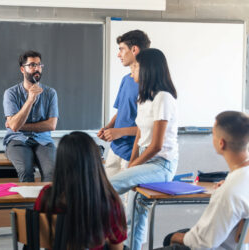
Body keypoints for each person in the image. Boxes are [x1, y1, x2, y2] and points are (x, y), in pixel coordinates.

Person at [109, 48, 178, 250]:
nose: (132, 71)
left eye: (136, 67)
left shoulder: (163, 98)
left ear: (149, 70)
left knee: (106, 187)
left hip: (161, 165)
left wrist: (132, 167)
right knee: (134, 216)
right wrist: (133, 162)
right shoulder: (144, 97)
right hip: (144, 162)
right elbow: (140, 135)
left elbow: (156, 145)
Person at [161, 111, 249, 250]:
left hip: (218, 245)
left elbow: (202, 243)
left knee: (171, 238)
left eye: (213, 133)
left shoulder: (228, 192)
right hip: (237, 243)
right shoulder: (239, 180)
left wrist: (176, 237)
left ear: (221, 143)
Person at [34, 131, 127, 250]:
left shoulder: (47, 196)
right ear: (95, 162)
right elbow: (117, 247)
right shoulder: (109, 201)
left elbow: (40, 236)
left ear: (60, 162)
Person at [98, 30, 151, 178]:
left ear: (134, 50)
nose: (118, 54)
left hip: (133, 153)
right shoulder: (126, 79)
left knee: (128, 200)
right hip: (115, 148)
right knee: (107, 195)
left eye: (121, 49)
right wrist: (108, 128)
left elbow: (148, 127)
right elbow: (121, 111)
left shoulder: (149, 84)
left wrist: (119, 132)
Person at [3, 50, 58, 182]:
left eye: (39, 65)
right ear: (23, 69)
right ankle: (28, 203)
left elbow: (51, 125)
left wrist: (19, 124)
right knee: (26, 171)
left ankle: (46, 203)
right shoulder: (10, 93)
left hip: (43, 141)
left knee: (52, 172)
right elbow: (15, 127)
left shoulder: (50, 93)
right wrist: (30, 100)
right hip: (17, 141)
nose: (37, 68)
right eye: (32, 65)